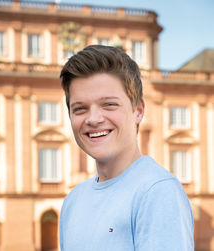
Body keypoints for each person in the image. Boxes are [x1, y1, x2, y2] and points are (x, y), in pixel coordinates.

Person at [59, 45, 194, 251]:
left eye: (109, 105)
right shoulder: (73, 200)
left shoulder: (156, 192)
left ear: (138, 111)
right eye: (80, 108)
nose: (93, 119)